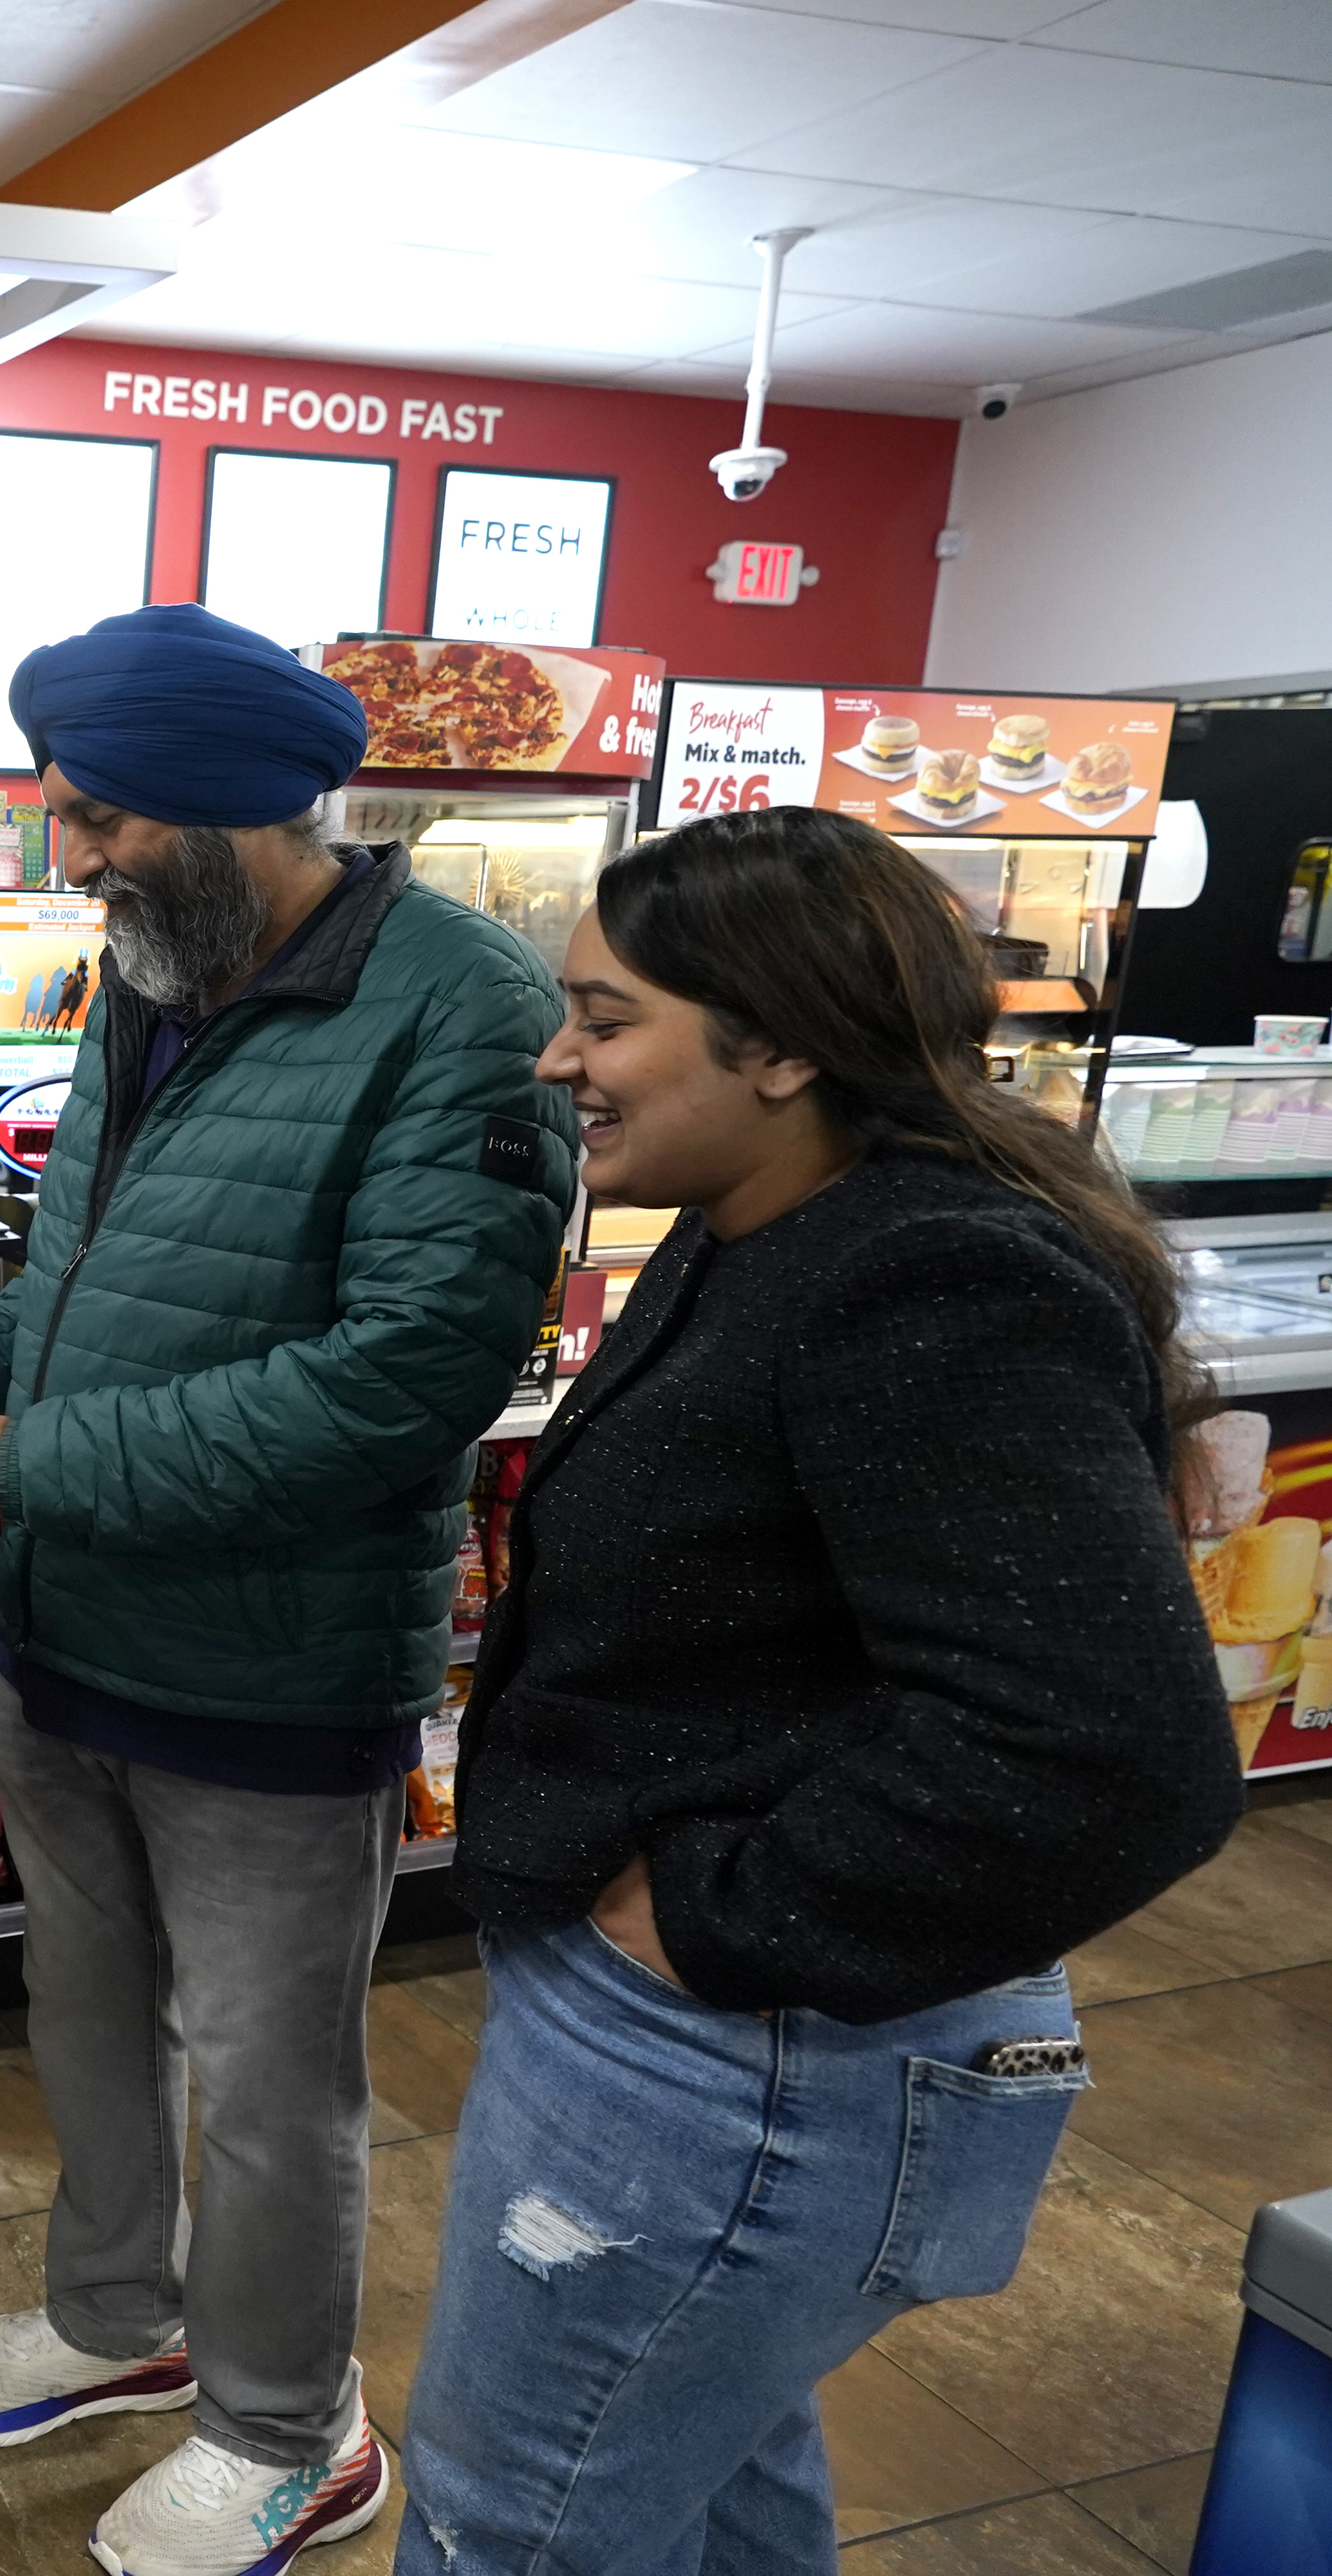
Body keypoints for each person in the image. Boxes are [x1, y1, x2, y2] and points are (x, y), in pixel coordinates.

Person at [396, 809, 1241, 2575]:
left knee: (513, 2530)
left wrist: (712, 1919)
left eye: (607, 1017)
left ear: (777, 1046)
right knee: (707, 2499)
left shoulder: (922, 1271)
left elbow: (1111, 1753)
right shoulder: (761, 1223)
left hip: (737, 2064)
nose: (561, 1057)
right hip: (713, 2054)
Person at [0, 603, 575, 2576]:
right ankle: (117, 2317)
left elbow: (403, 1375)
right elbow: (86, 1265)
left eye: (92, 818)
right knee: (80, 2006)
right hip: (75, 1630)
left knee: (272, 2084)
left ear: (235, 815)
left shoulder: (460, 1008)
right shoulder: (145, 969)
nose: (65, 855)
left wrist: (39, 1461)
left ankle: (289, 2427)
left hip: (270, 1662)